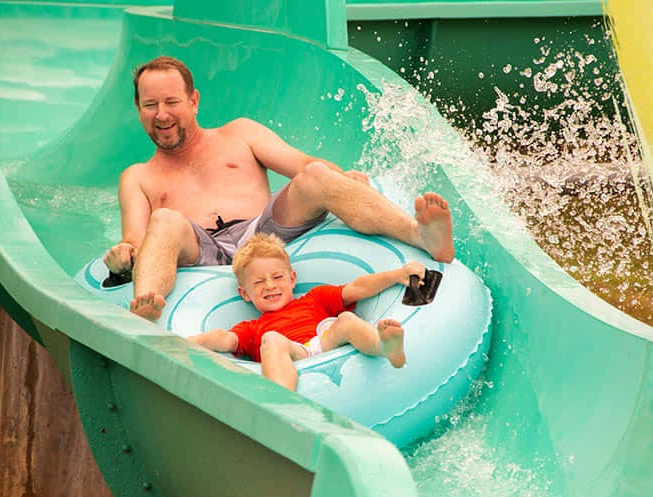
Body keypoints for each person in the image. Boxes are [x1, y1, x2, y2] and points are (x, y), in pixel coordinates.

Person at [103, 56, 455, 321]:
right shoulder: (137, 176)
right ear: (138, 109)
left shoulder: (239, 134)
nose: (161, 114)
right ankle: (146, 314)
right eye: (150, 105)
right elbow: (135, 239)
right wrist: (124, 253)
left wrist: (342, 179)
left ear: (193, 101)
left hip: (264, 231)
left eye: (171, 102)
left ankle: (421, 236)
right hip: (199, 247)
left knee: (316, 175)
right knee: (163, 219)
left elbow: (303, 164)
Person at [186, 234, 420, 390]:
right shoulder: (251, 328)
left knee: (347, 319)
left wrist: (398, 275)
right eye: (258, 282)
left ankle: (386, 347)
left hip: (325, 340)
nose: (270, 285)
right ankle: (283, 399)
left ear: (292, 279)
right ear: (245, 293)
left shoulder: (314, 299)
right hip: (293, 354)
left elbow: (357, 288)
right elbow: (223, 339)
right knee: (271, 339)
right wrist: (184, 344)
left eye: (277, 277)